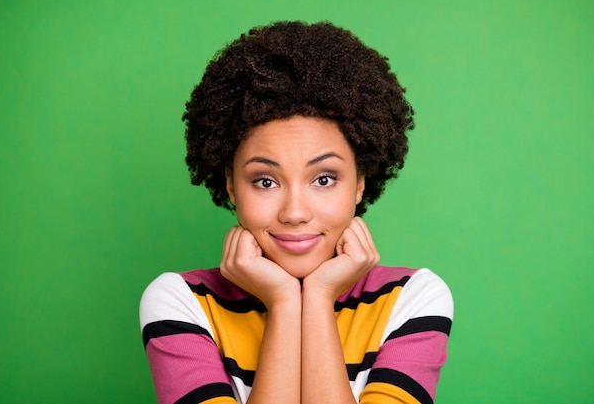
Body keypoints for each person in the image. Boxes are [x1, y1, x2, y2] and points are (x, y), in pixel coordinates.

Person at [140, 20, 453, 404]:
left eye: (323, 178)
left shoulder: (412, 299)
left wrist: (318, 299)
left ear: (359, 183)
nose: (294, 212)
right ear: (230, 185)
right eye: (265, 181)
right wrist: (285, 303)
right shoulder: (180, 302)